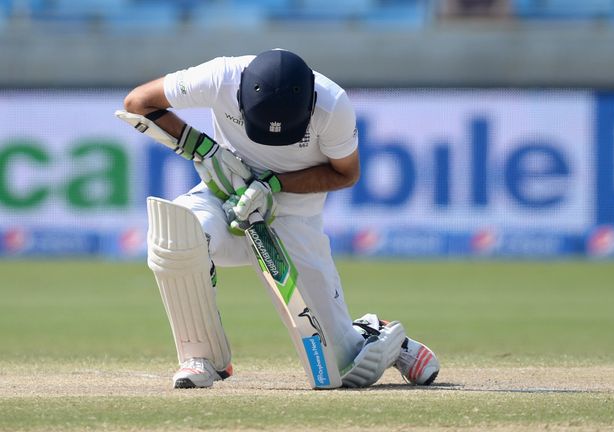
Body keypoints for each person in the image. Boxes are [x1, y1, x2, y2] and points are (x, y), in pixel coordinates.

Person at [121, 48, 439, 389]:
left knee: (343, 371)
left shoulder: (332, 106)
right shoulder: (220, 77)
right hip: (225, 196)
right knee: (178, 234)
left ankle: (376, 336)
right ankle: (202, 358)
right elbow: (138, 102)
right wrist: (202, 149)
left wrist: (273, 184)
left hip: (292, 216)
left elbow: (346, 174)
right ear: (241, 98)